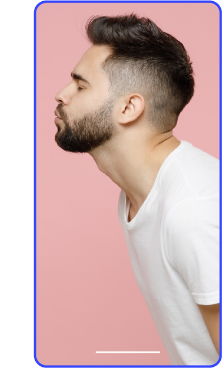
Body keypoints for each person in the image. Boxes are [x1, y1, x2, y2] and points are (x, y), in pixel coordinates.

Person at [53, 14, 219, 365]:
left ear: (128, 108)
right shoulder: (138, 194)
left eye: (80, 86)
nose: (61, 95)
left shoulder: (194, 209)